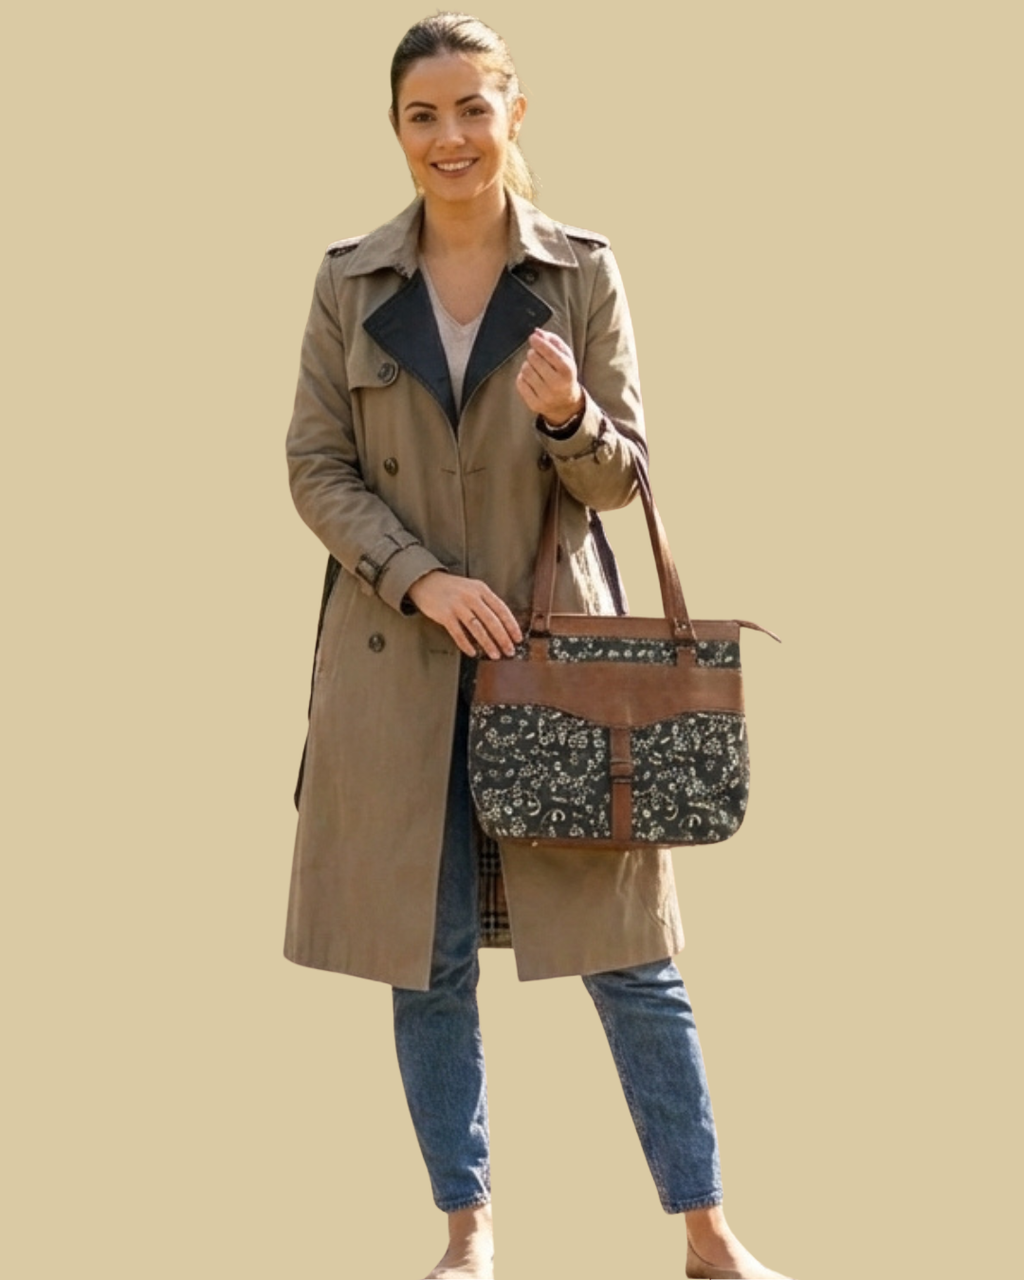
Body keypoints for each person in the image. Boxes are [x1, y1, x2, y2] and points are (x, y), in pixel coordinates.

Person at [283, 13, 794, 1280]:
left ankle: (707, 1230)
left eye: (470, 108)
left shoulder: (579, 272)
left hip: (560, 664)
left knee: (629, 955)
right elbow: (313, 462)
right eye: (421, 115)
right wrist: (417, 577)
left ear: (516, 114)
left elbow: (626, 480)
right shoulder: (351, 279)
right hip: (398, 665)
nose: (448, 137)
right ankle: (469, 1231)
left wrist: (569, 418)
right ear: (396, 129)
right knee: (429, 955)